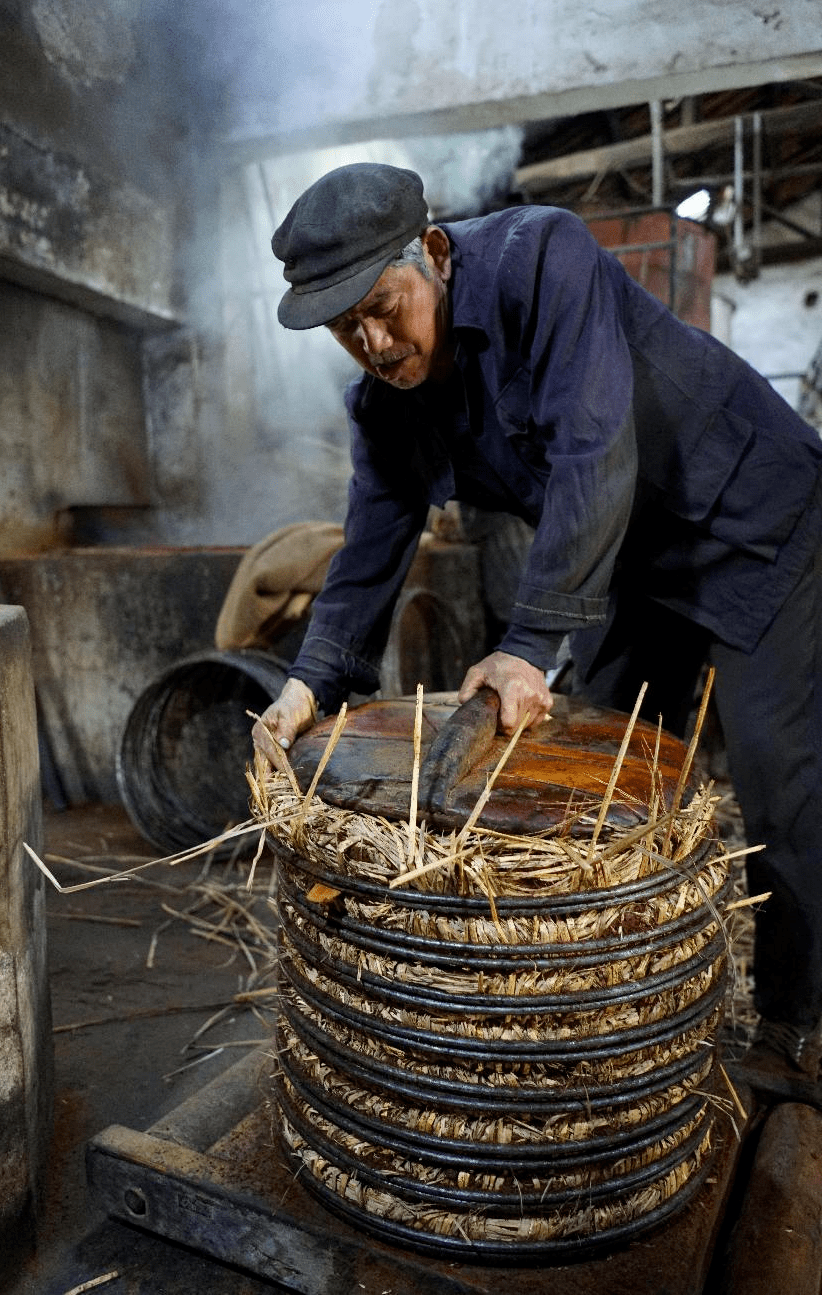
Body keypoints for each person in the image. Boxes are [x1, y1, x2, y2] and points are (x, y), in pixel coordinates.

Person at [253, 161, 822, 1083]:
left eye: (383, 306)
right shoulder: (384, 401)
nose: (372, 339)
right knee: (593, 781)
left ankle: (799, 1027)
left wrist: (524, 647)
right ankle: (618, 998)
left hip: (757, 525)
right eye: (344, 326)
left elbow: (595, 448)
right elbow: (369, 543)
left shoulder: (542, 257)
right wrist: (308, 680)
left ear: (434, 254)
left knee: (780, 783)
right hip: (632, 562)